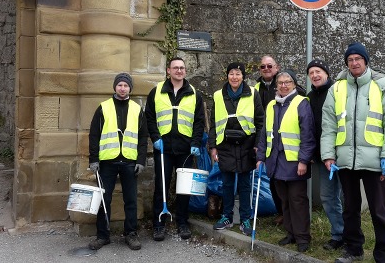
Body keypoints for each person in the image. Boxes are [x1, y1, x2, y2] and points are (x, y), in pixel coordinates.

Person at [321, 42, 385, 263]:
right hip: (345, 160)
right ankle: (354, 249)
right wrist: (328, 155)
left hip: (375, 160)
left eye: (358, 58)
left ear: (366, 61)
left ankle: (384, 255)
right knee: (350, 208)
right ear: (346, 63)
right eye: (350, 60)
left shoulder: (382, 86)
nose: (354, 63)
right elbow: (328, 125)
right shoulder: (336, 88)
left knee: (379, 211)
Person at [145, 57, 205, 242]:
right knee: (161, 187)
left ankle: (182, 223)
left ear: (185, 71)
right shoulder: (156, 92)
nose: (179, 71)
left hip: (186, 149)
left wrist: (195, 143)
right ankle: (159, 224)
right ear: (168, 71)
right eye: (176, 68)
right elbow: (149, 117)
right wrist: (155, 138)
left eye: (182, 68)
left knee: (184, 188)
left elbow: (199, 121)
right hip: (163, 148)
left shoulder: (194, 93)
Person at [256, 70, 316, 253]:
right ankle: (290, 233)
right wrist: (260, 157)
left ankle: (303, 237)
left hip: (295, 162)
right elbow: (264, 133)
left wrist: (304, 161)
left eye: (287, 82)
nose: (283, 85)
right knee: (284, 201)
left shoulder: (301, 103)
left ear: (294, 84)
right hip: (275, 160)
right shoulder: (272, 105)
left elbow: (308, 135)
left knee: (297, 200)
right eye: (280, 82)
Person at [88, 73, 148, 251]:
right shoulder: (103, 108)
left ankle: (131, 234)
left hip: (130, 161)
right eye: (120, 85)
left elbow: (143, 137)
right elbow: (94, 135)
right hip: (108, 161)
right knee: (103, 200)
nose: (123, 88)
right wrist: (94, 159)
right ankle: (102, 235)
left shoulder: (137, 109)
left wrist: (141, 160)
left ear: (130, 88)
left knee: (130, 199)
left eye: (126, 85)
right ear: (115, 87)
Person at [209, 62, 264, 236]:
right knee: (226, 183)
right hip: (225, 145)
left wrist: (257, 145)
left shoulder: (253, 93)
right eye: (231, 73)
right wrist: (213, 146)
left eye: (238, 74)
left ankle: (246, 218)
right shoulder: (218, 95)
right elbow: (213, 124)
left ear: (243, 76)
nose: (234, 77)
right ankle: (226, 216)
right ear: (227, 76)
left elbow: (260, 121)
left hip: (246, 144)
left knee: (245, 184)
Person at [254, 55, 306, 225]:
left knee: (295, 195)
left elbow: (305, 129)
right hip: (271, 145)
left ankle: (298, 231)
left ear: (276, 68)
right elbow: (261, 123)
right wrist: (260, 148)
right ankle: (283, 215)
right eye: (263, 66)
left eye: (270, 65)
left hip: (291, 152)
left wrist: (304, 157)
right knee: (276, 187)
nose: (266, 68)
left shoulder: (297, 96)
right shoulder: (256, 89)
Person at [306, 59, 345, 251]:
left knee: (348, 197)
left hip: (344, 154)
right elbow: (310, 129)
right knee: (328, 197)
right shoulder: (310, 97)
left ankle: (352, 235)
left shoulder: (339, 92)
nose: (315, 75)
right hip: (323, 158)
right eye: (311, 72)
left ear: (327, 74)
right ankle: (338, 234)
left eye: (318, 71)